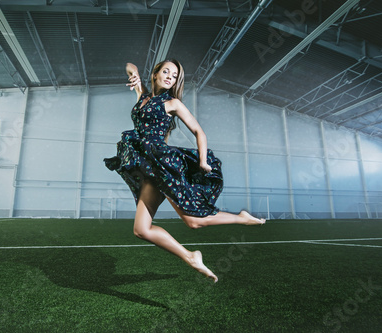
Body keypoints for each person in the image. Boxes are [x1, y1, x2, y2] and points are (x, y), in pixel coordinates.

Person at [104, 60, 265, 283]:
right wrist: (134, 74)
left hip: (162, 164)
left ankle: (240, 219)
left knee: (194, 221)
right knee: (142, 230)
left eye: (175, 75)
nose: (170, 76)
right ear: (156, 74)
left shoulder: (173, 103)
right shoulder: (142, 96)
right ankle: (191, 256)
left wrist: (202, 162)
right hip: (146, 164)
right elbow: (129, 65)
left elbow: (199, 132)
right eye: (166, 71)